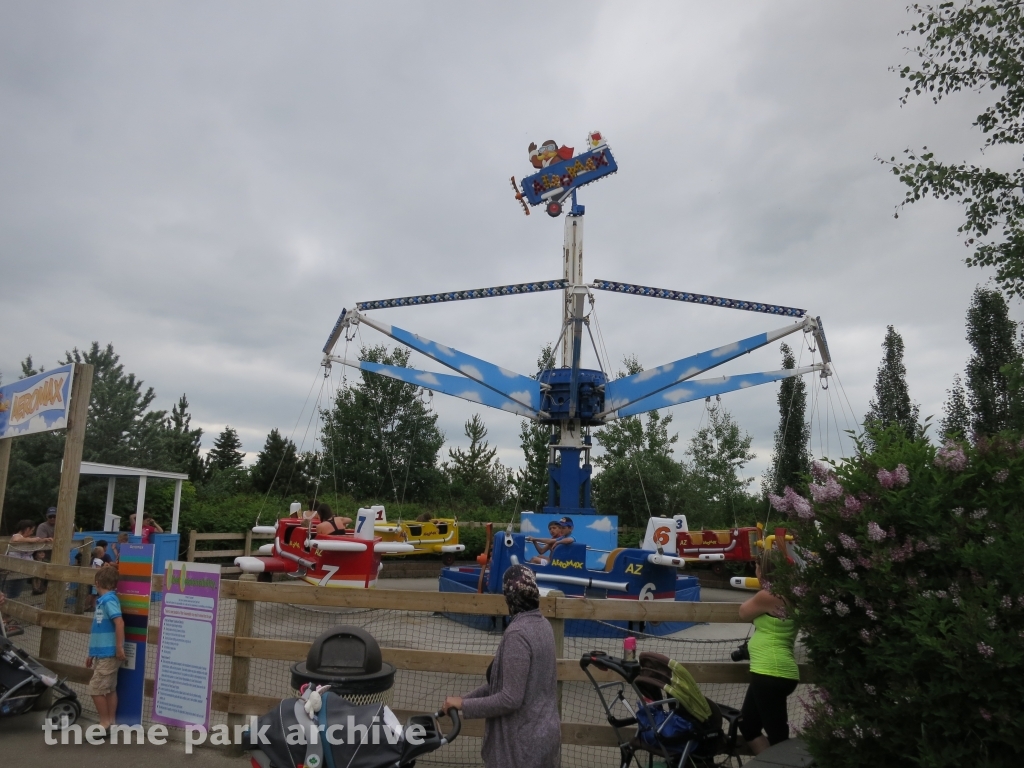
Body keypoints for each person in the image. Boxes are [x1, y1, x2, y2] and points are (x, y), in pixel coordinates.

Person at [443, 564, 560, 768]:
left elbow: (510, 699)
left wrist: (463, 705)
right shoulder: (543, 625)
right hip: (544, 734)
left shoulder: (518, 634)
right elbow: (504, 683)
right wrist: (463, 700)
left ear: (509, 596)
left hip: (521, 745)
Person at [737, 552, 799, 754]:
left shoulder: (769, 596)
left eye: (756, 567)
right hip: (773, 672)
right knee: (748, 725)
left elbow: (743, 612)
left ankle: (781, 763)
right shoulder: (792, 594)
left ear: (763, 570)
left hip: (770, 672)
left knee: (778, 735)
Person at [86, 564, 125, 731]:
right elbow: (99, 630)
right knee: (109, 689)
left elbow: (119, 622)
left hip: (109, 653)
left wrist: (119, 647)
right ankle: (111, 721)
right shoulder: (103, 601)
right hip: (102, 652)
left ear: (97, 582)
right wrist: (91, 653)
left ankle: (104, 722)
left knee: (95, 689)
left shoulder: (109, 601)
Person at [4, 519, 53, 600]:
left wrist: (43, 540)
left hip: (22, 569)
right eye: (32, 530)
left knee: (16, 591)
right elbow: (16, 539)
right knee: (13, 592)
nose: (32, 532)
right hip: (15, 568)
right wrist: (31, 540)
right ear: (27, 529)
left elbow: (36, 540)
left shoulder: (26, 538)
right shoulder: (17, 536)